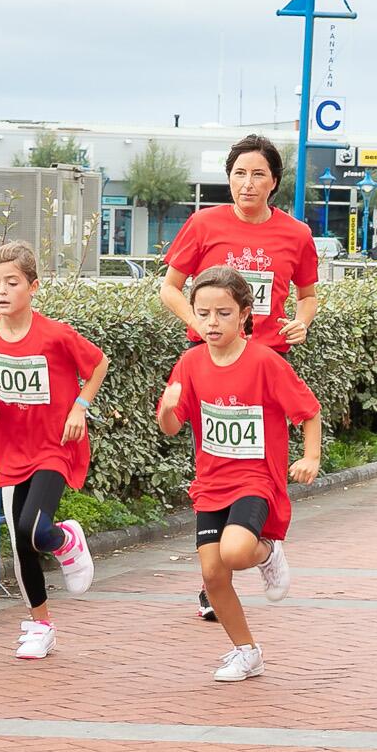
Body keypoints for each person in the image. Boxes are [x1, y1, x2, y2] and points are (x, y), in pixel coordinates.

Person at [161, 133, 320, 623]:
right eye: (238, 174)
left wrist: (303, 320)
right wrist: (200, 321)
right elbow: (169, 286)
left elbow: (308, 294)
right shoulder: (204, 223)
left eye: (258, 175)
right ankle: (217, 579)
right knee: (216, 461)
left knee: (259, 458)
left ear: (274, 182)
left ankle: (264, 546)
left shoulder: (295, 234)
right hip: (208, 358)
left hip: (264, 361)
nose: (247, 184)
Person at [156, 267, 322, 682]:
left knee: (233, 552)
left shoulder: (265, 362)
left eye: (223, 313)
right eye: (204, 313)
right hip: (211, 481)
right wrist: (167, 407)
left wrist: (311, 457)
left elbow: (309, 410)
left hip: (255, 479)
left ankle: (267, 553)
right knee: (212, 574)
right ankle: (246, 651)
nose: (212, 322)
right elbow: (172, 426)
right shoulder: (190, 363)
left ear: (246, 314)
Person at [0, 241, 108, 659]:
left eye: (12, 282)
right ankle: (40, 624)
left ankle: (65, 539)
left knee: (35, 529)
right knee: (21, 542)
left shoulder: (55, 335)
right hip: (10, 450)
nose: (2, 291)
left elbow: (98, 364)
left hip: (55, 446)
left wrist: (81, 406)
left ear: (33, 286)